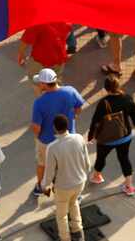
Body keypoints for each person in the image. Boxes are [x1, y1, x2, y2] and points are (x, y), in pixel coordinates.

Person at [30, 68, 85, 197]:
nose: (38, 84)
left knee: (42, 164)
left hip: (47, 141)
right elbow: (79, 106)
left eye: (40, 82)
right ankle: (75, 193)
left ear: (44, 84)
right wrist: (73, 118)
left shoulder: (39, 102)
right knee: (67, 165)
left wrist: (38, 137)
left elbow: (36, 127)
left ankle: (40, 187)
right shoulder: (70, 91)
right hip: (68, 137)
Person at [87, 76, 135, 195]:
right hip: (124, 135)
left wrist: (91, 136)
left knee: (101, 157)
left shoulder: (104, 103)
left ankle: (97, 176)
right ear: (118, 86)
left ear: (106, 88)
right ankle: (129, 186)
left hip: (106, 139)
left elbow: (95, 121)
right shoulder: (127, 98)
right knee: (124, 159)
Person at [41, 114, 92, 241]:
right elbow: (87, 162)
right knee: (74, 203)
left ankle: (65, 238)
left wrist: (44, 186)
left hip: (63, 187)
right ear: (67, 126)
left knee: (62, 215)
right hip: (80, 182)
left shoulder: (52, 147)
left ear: (54, 128)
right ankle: (78, 231)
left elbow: (50, 172)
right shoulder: (79, 138)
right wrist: (85, 173)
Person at [17, 22, 72, 89]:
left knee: (36, 81)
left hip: (39, 59)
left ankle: (43, 96)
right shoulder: (67, 21)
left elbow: (25, 41)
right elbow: (66, 36)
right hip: (59, 58)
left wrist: (21, 54)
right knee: (54, 81)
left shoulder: (39, 23)